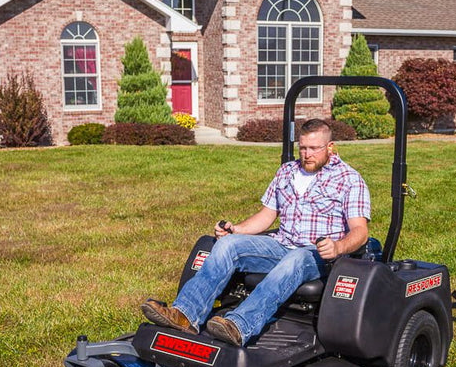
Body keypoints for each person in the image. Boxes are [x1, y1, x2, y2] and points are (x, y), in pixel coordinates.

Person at [141, 118, 371, 346]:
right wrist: (236, 230)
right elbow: (266, 215)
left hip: (317, 255)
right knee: (228, 245)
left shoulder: (349, 179)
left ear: (330, 147)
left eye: (313, 148)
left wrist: (338, 246)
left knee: (295, 258)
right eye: (302, 148)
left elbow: (360, 231)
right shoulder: (287, 172)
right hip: (281, 244)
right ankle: (185, 315)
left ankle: (240, 325)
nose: (306, 154)